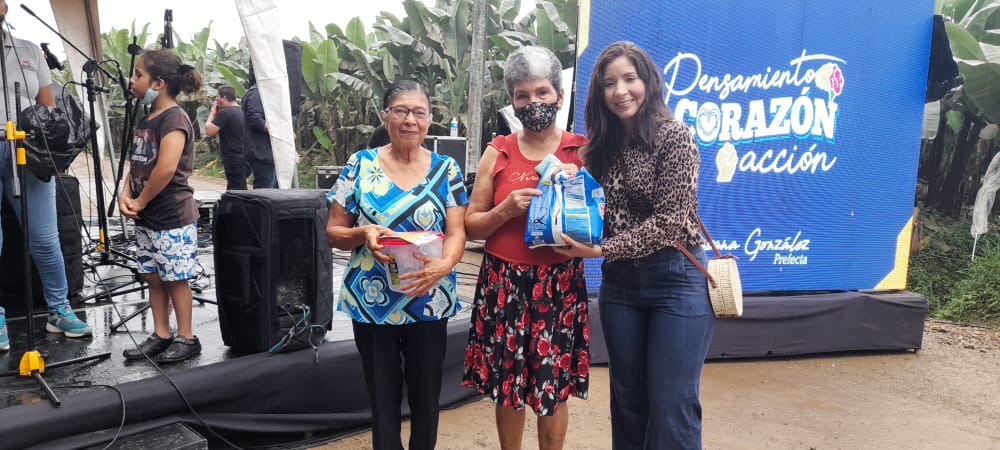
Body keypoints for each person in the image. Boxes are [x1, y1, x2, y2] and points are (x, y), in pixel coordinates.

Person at [553, 41, 715, 450]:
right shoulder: (601, 147)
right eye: (610, 83)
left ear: (649, 82)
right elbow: (588, 207)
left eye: (630, 79)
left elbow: (670, 222)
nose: (620, 91)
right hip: (621, 285)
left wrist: (602, 250)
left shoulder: (674, 136)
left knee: (672, 404)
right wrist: (561, 183)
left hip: (676, 279)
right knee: (627, 404)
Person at [325, 80, 468, 450]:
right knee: (382, 395)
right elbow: (333, 232)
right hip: (372, 301)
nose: (410, 120)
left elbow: (456, 231)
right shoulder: (359, 165)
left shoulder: (447, 169)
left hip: (429, 295)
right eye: (401, 111)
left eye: (419, 112)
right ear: (384, 115)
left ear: (430, 119)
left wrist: (445, 265)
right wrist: (363, 232)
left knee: (427, 394)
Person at [462, 46, 590, 450]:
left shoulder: (580, 151)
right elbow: (471, 225)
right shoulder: (498, 151)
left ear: (559, 96)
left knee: (553, 387)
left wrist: (577, 198)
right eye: (522, 95)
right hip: (504, 285)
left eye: (542, 92)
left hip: (559, 285)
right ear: (512, 102)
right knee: (507, 386)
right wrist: (504, 210)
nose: (533, 102)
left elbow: (602, 224)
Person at [0, 0, 92, 352]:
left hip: (28, 149)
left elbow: (47, 106)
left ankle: (59, 310)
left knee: (45, 238)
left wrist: (46, 140)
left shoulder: (28, 50)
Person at [119, 49, 204, 363]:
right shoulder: (147, 118)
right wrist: (125, 194)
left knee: (175, 279)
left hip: (171, 216)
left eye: (138, 74)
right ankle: (161, 334)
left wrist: (140, 201)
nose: (132, 80)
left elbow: (166, 169)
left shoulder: (175, 118)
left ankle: (187, 337)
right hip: (147, 216)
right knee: (153, 277)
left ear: (158, 83)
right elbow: (138, 164)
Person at [205, 85, 247, 190]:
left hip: (233, 158)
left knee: (238, 191)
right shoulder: (242, 111)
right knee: (235, 188)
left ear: (224, 98)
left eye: (218, 96)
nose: (216, 99)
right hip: (245, 156)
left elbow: (209, 131)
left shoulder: (226, 113)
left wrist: (212, 113)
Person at [242, 81, 277, 189]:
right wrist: (280, 130)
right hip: (261, 152)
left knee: (272, 192)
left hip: (270, 152)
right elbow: (255, 119)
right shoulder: (257, 92)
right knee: (264, 192)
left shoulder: (266, 92)